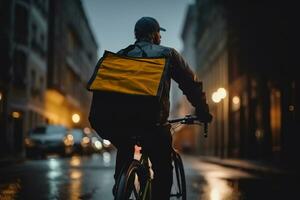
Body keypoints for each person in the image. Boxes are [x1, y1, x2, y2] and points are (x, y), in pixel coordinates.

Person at [90, 16, 212, 199]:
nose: (160, 38)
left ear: (136, 35)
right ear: (155, 35)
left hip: (120, 122)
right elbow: (190, 83)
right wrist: (202, 110)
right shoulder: (167, 54)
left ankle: (121, 185)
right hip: (153, 123)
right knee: (163, 170)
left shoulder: (120, 56)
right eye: (159, 35)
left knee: (125, 145)